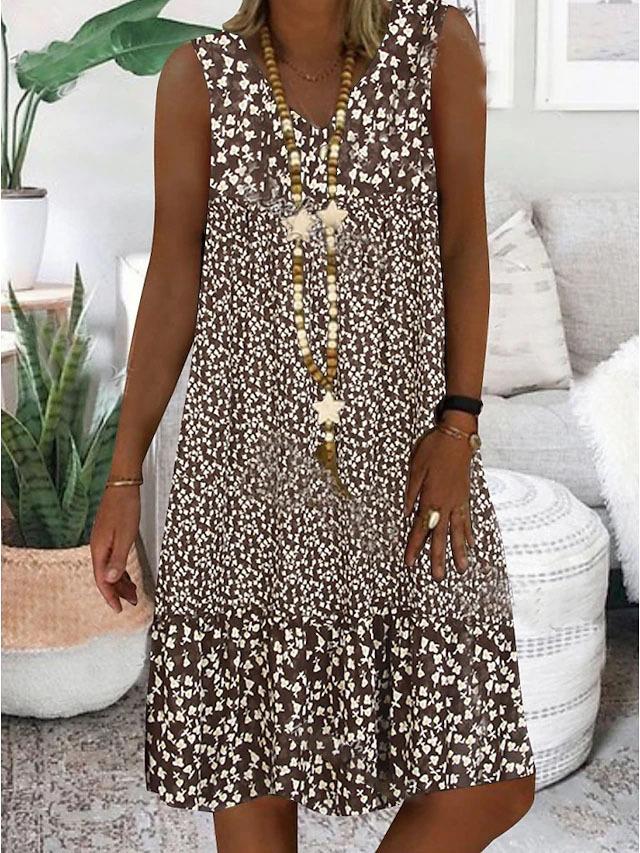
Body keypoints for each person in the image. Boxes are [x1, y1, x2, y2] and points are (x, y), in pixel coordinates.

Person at [90, 0, 537, 850]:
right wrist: (122, 475)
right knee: (252, 765)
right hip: (243, 479)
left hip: (406, 467)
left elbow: (464, 243)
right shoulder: (199, 78)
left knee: (491, 780)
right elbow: (173, 280)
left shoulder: (436, 44)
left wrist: (460, 423)